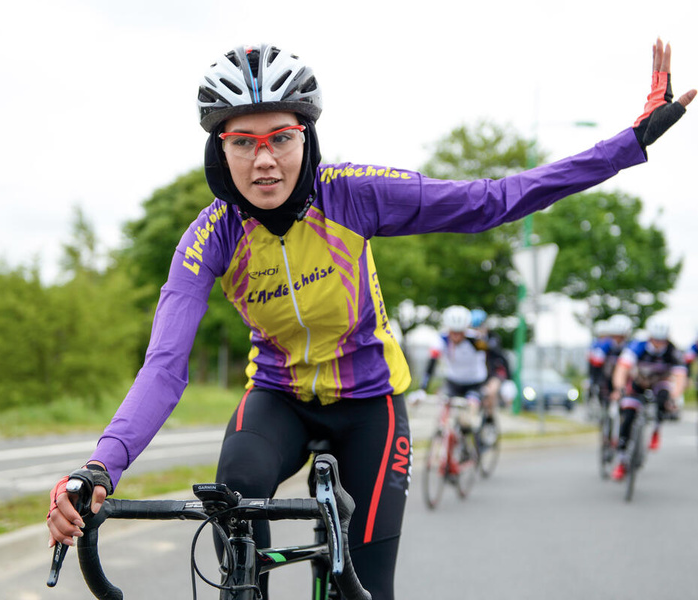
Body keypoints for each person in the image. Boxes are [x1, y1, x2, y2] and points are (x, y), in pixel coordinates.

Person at [47, 40, 694, 599]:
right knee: (235, 501)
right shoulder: (211, 236)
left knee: (367, 587)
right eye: (243, 141)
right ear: (221, 148)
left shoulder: (352, 193)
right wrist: (100, 468)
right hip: (277, 398)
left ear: (307, 136)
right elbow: (164, 366)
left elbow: (494, 201)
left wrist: (630, 143)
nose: (264, 159)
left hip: (370, 406)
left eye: (281, 138)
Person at [609, 317, 688, 480]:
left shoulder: (673, 351)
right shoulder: (637, 347)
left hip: (660, 383)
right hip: (639, 382)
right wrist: (619, 388)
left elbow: (680, 376)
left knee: (664, 398)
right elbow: (621, 369)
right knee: (628, 414)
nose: (659, 343)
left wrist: (675, 396)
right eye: (656, 339)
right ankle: (622, 459)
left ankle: (656, 429)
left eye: (662, 340)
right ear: (650, 337)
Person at [470, 307, 512, 413]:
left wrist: (481, 339)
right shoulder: (468, 340)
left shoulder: (493, 337)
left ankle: (490, 418)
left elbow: (497, 352)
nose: (477, 330)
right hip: (476, 373)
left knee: (490, 392)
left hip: (493, 373)